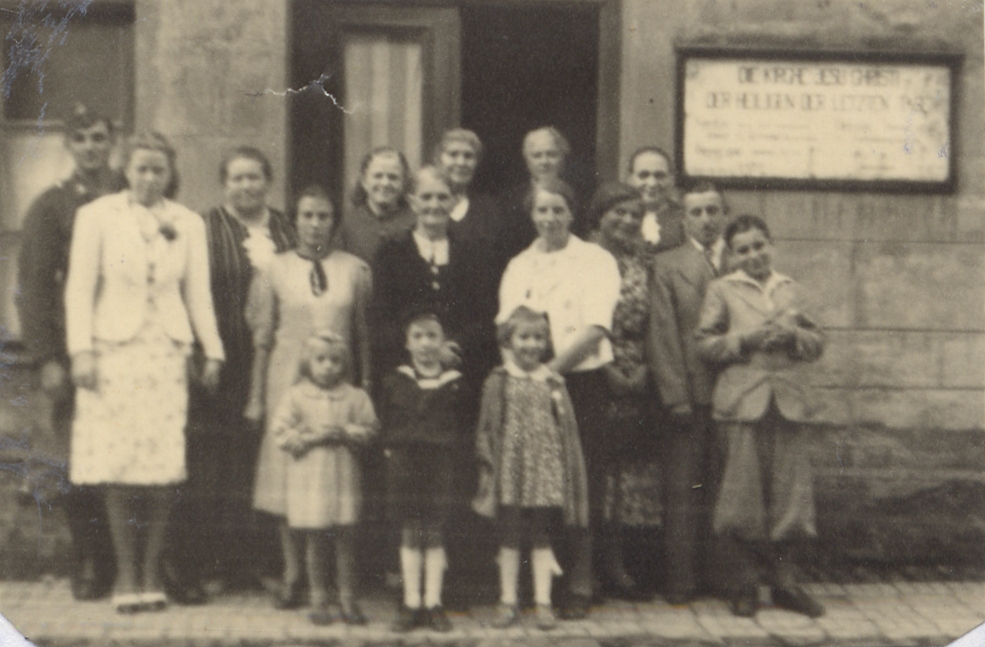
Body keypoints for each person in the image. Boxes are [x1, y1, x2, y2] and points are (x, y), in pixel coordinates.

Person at [64, 131, 225, 613]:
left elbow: (198, 293)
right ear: (126, 170)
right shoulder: (96, 217)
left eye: (159, 170)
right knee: (118, 466)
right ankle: (126, 577)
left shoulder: (187, 223)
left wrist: (211, 350)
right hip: (112, 352)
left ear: (170, 173)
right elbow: (78, 289)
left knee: (161, 469)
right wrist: (80, 352)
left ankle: (153, 576)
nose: (150, 178)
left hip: (165, 353)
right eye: (141, 169)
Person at [167, 146, 297, 602]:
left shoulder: (286, 228)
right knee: (216, 470)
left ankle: (263, 564)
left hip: (274, 366)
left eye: (255, 177)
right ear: (225, 183)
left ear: (268, 181)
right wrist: (197, 354)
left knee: (263, 466)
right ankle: (216, 565)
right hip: (217, 366)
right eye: (238, 178)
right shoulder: (203, 228)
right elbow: (182, 292)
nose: (247, 186)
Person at [497, 177, 622, 619]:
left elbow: (596, 326)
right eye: (541, 211)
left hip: (580, 381)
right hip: (529, 384)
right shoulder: (519, 265)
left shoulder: (595, 259)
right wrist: (525, 375)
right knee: (538, 481)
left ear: (572, 213)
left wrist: (551, 372)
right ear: (532, 215)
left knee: (580, 478)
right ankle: (539, 586)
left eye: (558, 210)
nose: (550, 219)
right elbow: (506, 327)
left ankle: (581, 581)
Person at [16, 103, 126, 601]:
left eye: (98, 138)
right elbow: (35, 287)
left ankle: (133, 563)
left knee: (128, 456)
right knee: (76, 458)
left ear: (113, 140)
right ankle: (91, 561)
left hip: (127, 349)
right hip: (72, 350)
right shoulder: (50, 206)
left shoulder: (135, 192)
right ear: (68, 145)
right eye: (80, 139)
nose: (90, 148)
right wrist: (46, 358)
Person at [245, 185, 372, 610]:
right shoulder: (273, 270)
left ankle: (337, 581)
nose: (315, 224)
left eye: (323, 216)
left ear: (334, 223)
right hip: (286, 382)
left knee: (331, 477)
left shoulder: (354, 269)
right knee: (289, 476)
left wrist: (365, 386)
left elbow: (363, 336)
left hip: (340, 385)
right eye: (306, 216)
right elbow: (262, 339)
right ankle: (293, 572)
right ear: (294, 221)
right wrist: (256, 397)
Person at [696, 215, 825, 619]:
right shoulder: (722, 290)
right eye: (743, 249)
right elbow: (704, 344)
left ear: (771, 244)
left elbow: (818, 341)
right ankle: (745, 584)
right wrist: (745, 340)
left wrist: (795, 337)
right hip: (743, 403)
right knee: (742, 498)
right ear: (731, 255)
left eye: (759, 245)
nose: (753, 255)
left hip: (788, 404)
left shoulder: (790, 288)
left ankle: (786, 583)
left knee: (791, 498)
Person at [473, 306, 589, 631]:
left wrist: (564, 467)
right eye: (523, 337)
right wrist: (488, 462)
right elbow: (485, 426)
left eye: (539, 337)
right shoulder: (499, 379)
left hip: (543, 466)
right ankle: (507, 599)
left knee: (541, 534)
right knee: (509, 533)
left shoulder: (553, 381)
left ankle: (543, 602)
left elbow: (567, 429)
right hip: (510, 466)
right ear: (508, 340)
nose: (531, 344)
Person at [648, 181, 730, 604]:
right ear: (683, 219)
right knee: (684, 491)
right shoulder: (666, 266)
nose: (706, 220)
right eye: (696, 212)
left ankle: (723, 578)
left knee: (727, 488)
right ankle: (681, 580)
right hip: (689, 394)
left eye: (713, 210)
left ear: (724, 214)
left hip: (735, 396)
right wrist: (675, 395)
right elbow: (662, 334)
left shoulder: (742, 260)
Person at [268, 331, 378, 625]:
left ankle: (348, 600)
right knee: (315, 540)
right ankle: (318, 600)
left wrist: (346, 432)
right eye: (321, 359)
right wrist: (311, 437)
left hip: (343, 479)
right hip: (311, 480)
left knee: (346, 542)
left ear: (345, 364)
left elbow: (370, 429)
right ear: (308, 362)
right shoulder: (295, 396)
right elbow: (280, 431)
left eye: (335, 361)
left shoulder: (355, 397)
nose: (328, 366)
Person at [586, 182, 663, 600]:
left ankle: (621, 566)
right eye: (619, 212)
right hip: (593, 368)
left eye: (635, 214)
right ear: (599, 215)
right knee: (597, 470)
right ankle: (591, 568)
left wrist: (646, 366)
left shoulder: (642, 261)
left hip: (637, 369)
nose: (628, 221)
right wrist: (607, 367)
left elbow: (655, 318)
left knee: (628, 476)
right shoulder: (582, 258)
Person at [379, 312, 465, 633]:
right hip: (404, 464)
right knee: (410, 530)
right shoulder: (396, 380)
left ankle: (433, 602)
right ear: (407, 342)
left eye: (432, 336)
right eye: (418, 336)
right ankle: (411, 601)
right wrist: (391, 450)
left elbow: (462, 426)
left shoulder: (455, 382)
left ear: (444, 343)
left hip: (440, 463)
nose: (425, 343)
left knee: (434, 530)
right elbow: (386, 421)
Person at [498, 127, 573, 261]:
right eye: (537, 155)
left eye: (551, 154)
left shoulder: (576, 195)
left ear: (562, 158)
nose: (544, 162)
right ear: (527, 160)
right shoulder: (509, 200)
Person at [337, 147, 415, 264]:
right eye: (378, 176)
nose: (385, 183)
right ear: (364, 181)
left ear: (404, 182)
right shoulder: (346, 223)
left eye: (393, 177)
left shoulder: (415, 222)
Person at [626, 147, 686, 255]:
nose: (652, 183)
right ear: (630, 179)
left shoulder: (684, 218)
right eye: (643, 175)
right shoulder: (619, 218)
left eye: (659, 176)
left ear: (671, 179)